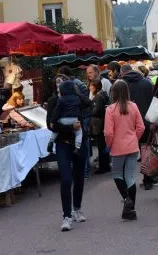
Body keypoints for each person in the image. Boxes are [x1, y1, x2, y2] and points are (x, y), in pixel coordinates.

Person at [48, 68, 91, 231]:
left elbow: (88, 110)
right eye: (57, 82)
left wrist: (77, 94)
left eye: (62, 83)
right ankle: (66, 216)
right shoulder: (54, 102)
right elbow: (51, 125)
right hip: (62, 143)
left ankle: (77, 208)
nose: (59, 85)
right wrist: (70, 127)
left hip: (80, 143)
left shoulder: (77, 100)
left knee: (79, 177)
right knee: (66, 179)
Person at [104, 80, 145, 220]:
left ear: (113, 93)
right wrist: (135, 138)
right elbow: (141, 127)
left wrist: (109, 144)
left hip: (117, 146)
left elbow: (108, 133)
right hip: (132, 145)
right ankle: (131, 209)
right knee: (130, 177)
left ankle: (127, 200)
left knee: (117, 175)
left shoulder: (110, 109)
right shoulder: (133, 106)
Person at [120, 64, 156, 189]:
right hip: (146, 121)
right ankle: (148, 180)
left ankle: (127, 181)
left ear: (122, 73)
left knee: (127, 153)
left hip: (128, 123)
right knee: (145, 150)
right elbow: (153, 102)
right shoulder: (146, 83)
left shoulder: (122, 84)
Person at [48, 79, 86, 155]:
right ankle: (77, 147)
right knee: (79, 133)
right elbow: (85, 104)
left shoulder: (61, 99)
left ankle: (51, 142)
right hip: (74, 119)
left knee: (56, 131)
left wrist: (53, 121)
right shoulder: (77, 98)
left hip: (63, 119)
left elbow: (57, 111)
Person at [89, 79, 111, 174]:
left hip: (99, 124)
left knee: (101, 146)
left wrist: (90, 111)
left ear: (95, 87)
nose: (89, 88)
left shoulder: (99, 97)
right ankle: (105, 165)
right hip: (102, 123)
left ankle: (104, 167)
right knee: (102, 145)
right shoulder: (102, 95)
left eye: (91, 86)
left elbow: (97, 110)